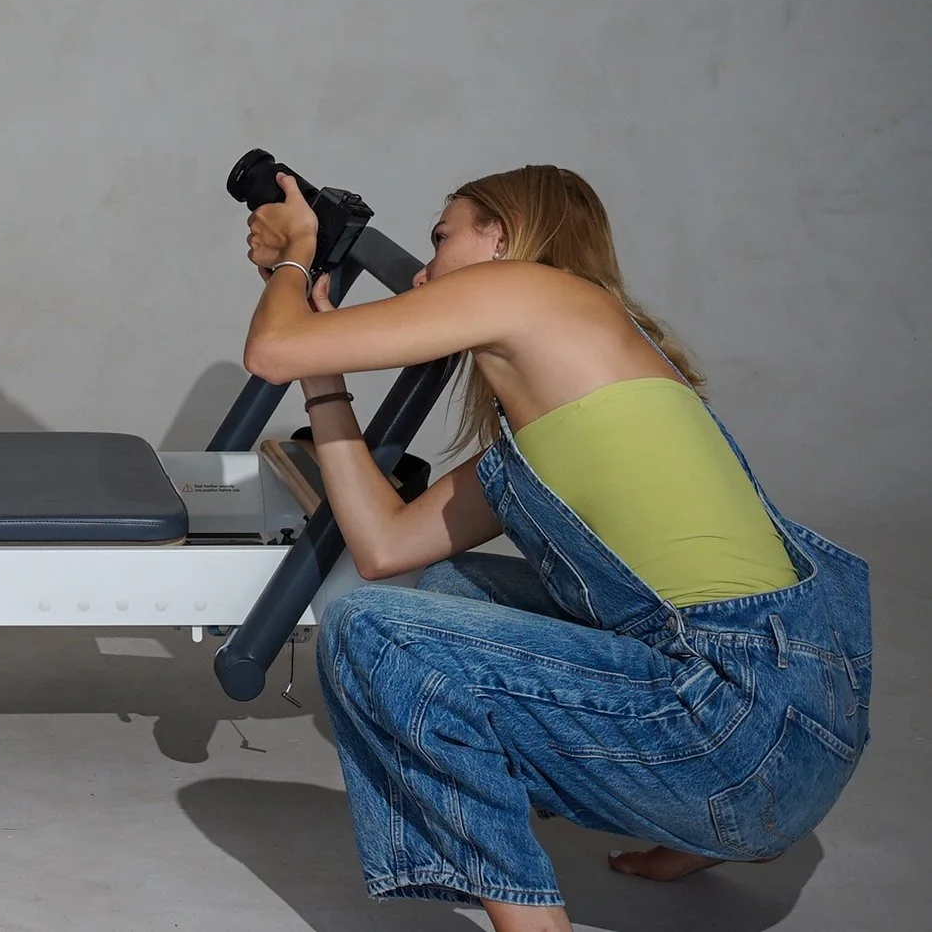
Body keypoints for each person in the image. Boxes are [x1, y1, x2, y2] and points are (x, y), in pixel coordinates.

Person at [240, 164, 870, 931]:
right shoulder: (559, 411)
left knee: (371, 631)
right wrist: (324, 376)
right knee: (433, 593)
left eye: (443, 239)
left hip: (735, 727)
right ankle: (710, 829)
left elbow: (272, 347)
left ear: (500, 238)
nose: (426, 269)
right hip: (801, 731)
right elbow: (382, 544)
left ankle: (532, 922)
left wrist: (293, 255)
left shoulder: (529, 286)